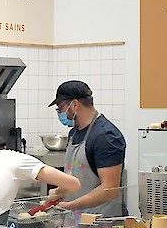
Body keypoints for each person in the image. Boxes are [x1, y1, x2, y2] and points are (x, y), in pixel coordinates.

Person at [39, 80, 128, 218]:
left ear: (75, 104)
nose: (60, 113)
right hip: (76, 221)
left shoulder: (105, 136)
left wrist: (69, 206)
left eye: (61, 108)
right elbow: (77, 177)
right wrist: (58, 192)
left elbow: (109, 189)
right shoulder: (74, 133)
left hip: (101, 223)